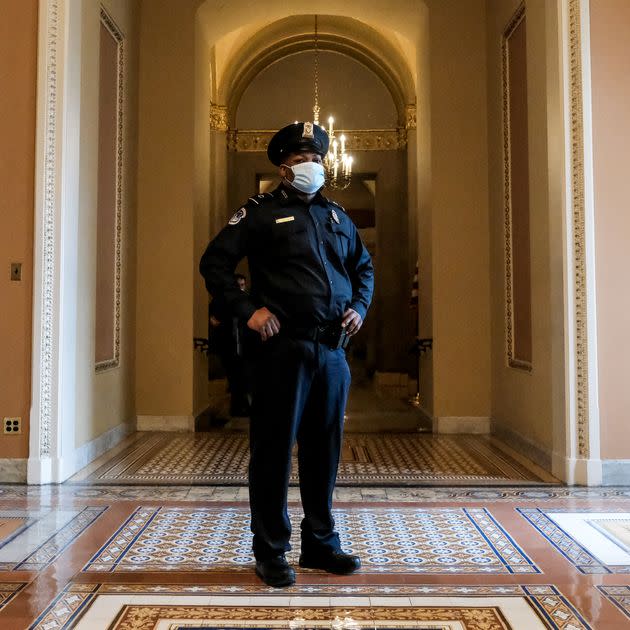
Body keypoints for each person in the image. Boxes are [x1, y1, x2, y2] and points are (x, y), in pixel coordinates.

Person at [199, 121, 374, 587]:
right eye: (301, 161)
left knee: (325, 451)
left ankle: (320, 543)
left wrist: (359, 306)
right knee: (274, 452)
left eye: (317, 159)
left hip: (333, 352)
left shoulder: (338, 217)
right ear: (283, 168)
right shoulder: (257, 214)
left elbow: (363, 268)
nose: (312, 167)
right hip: (282, 351)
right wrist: (247, 310)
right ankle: (271, 551)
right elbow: (214, 263)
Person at [208, 273, 250, 417]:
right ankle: (238, 407)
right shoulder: (222, 302)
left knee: (241, 377)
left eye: (243, 285)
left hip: (243, 346)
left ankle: (241, 406)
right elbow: (215, 322)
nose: (241, 288)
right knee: (235, 377)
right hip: (228, 346)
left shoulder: (248, 303)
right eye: (238, 286)